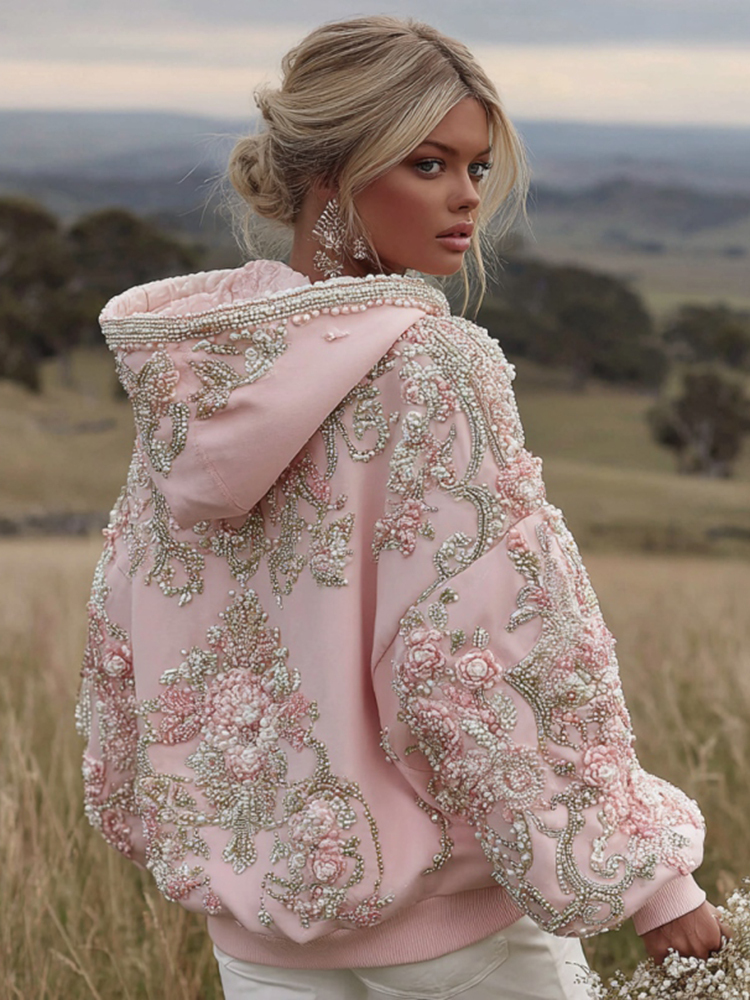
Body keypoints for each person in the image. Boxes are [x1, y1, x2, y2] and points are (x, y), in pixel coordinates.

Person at [76, 16, 728, 1000]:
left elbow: (128, 626)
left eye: (476, 167)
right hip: (448, 930)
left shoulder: (198, 372)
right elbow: (492, 650)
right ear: (330, 174)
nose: (467, 196)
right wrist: (647, 876)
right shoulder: (430, 366)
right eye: (429, 164)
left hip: (258, 929)